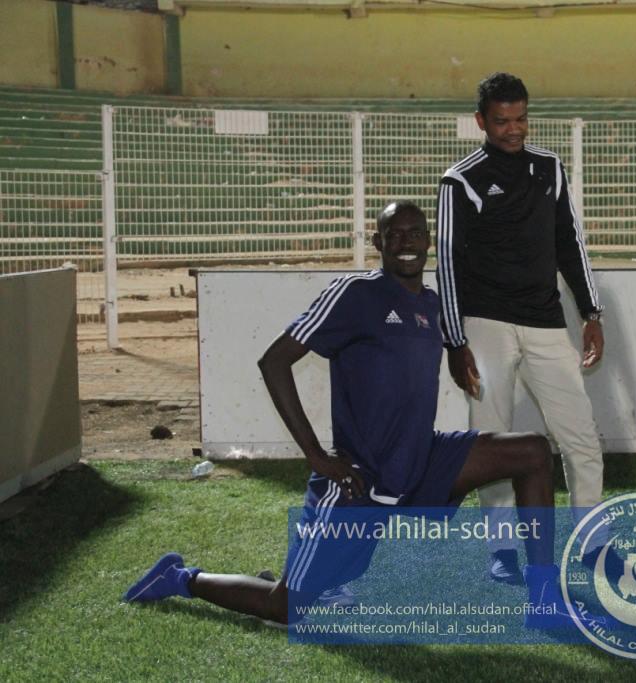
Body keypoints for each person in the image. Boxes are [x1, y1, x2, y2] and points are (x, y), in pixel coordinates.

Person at [123, 202, 569, 629]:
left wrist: (457, 352)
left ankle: (544, 598)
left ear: (428, 241)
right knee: (287, 606)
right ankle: (181, 578)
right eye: (395, 235)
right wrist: (317, 456)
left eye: (415, 234)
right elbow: (274, 361)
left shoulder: (430, 305)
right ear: (378, 242)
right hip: (361, 479)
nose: (406, 243)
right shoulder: (356, 294)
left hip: (421, 461)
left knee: (531, 451)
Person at [436, 72, 607, 584]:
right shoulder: (460, 180)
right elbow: (446, 264)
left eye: (521, 119)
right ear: (480, 121)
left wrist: (591, 313)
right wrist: (454, 341)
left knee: (581, 436)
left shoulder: (549, 168)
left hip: (546, 322)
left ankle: (593, 543)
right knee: (492, 441)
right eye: (501, 121)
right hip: (485, 324)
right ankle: (503, 549)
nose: (513, 130)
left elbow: (569, 243)